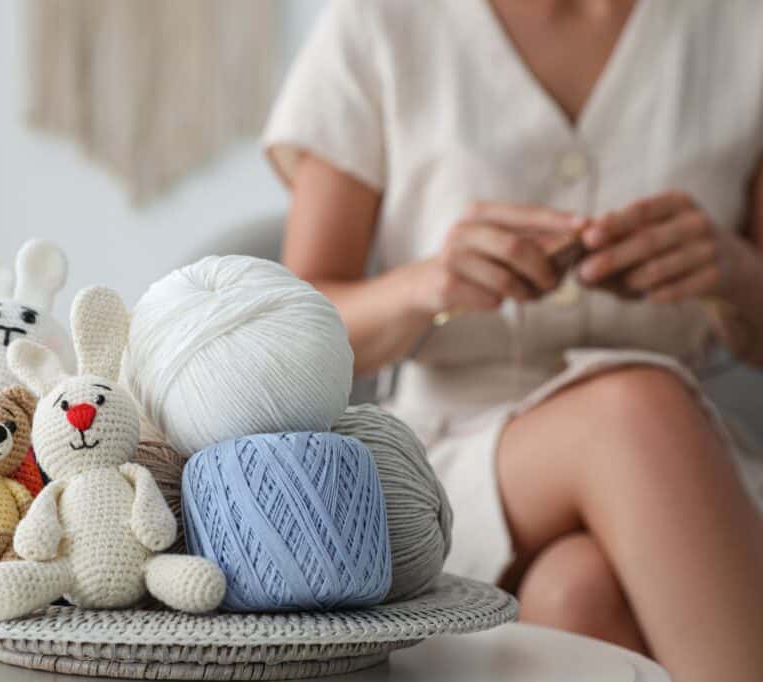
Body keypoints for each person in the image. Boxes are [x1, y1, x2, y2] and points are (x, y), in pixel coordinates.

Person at [263, 1, 763, 680]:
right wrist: (427, 285)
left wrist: (735, 273)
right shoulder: (382, 20)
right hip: (449, 456)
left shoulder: (741, 27)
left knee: (576, 592)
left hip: (679, 468)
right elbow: (283, 334)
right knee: (633, 407)